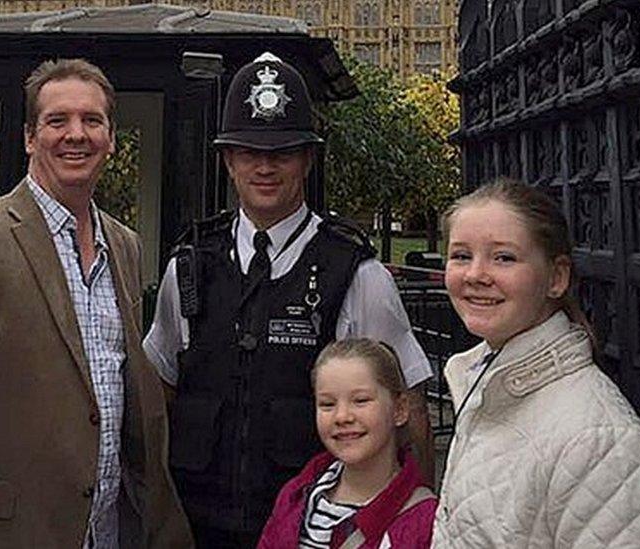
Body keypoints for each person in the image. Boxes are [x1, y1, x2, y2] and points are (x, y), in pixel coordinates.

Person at [0, 58, 192, 548]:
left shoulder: (124, 246)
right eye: (56, 120)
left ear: (111, 138)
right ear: (29, 137)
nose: (76, 134)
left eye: (92, 121)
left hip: (106, 534)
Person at [142, 51, 434, 547]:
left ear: (306, 159)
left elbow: (412, 415)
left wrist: (415, 523)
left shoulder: (356, 274)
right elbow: (159, 395)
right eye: (249, 151)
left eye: (281, 152)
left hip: (312, 531)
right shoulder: (190, 266)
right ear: (228, 160)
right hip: (194, 527)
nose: (264, 166)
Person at [432, 179, 640, 547]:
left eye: (504, 257)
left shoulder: (601, 441)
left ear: (556, 277)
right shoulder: (482, 382)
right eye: (462, 255)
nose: (475, 275)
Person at [257, 338, 436, 549]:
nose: (342, 416)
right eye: (327, 404)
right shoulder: (294, 496)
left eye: (360, 400)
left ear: (399, 409)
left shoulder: (425, 522)